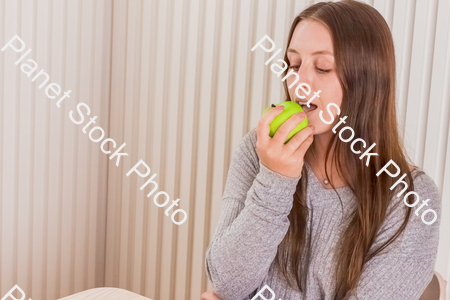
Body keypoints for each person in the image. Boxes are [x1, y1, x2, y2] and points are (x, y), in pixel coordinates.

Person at [201, 1, 441, 299]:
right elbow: (226, 283)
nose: (300, 81)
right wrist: (275, 179)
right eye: (294, 64)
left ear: (367, 81)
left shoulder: (412, 199)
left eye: (323, 67)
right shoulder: (259, 150)